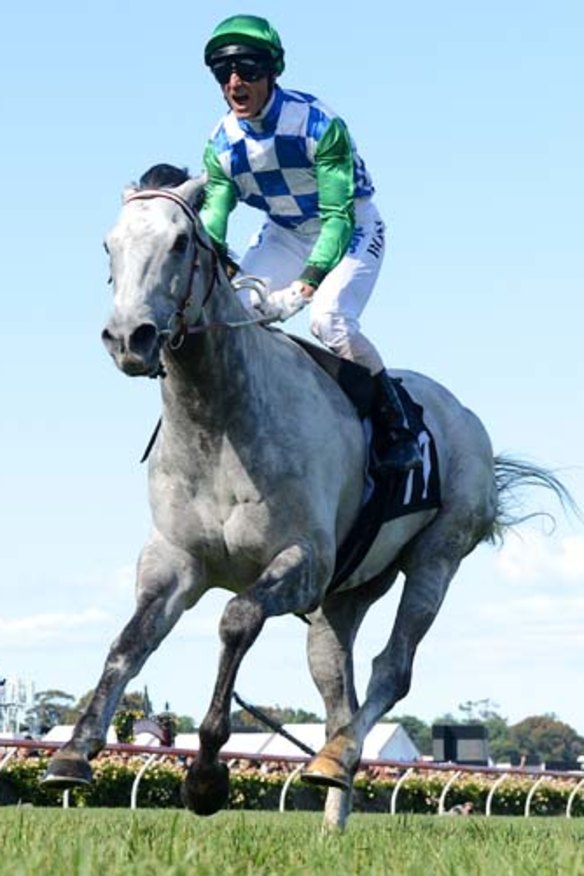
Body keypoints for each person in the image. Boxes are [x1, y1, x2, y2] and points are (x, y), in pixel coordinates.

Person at [200, 14, 422, 471]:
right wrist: (216, 264)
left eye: (248, 71)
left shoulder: (318, 124)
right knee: (234, 315)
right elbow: (214, 221)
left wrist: (302, 289)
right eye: (225, 74)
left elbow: (338, 218)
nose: (236, 83)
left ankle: (396, 424)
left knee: (330, 320)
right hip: (284, 232)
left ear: (273, 72)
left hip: (349, 227)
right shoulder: (221, 144)